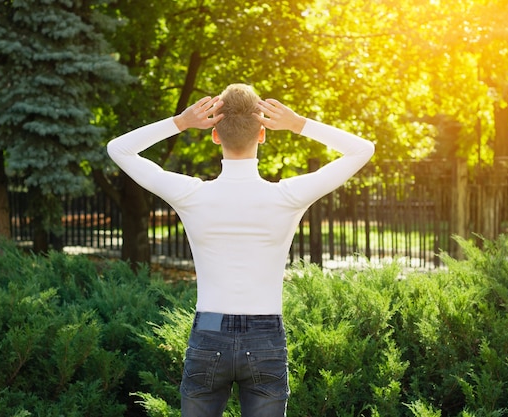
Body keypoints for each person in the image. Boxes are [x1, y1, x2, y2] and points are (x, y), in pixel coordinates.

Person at [107, 83, 375, 417]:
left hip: (209, 331)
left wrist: (181, 122)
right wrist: (297, 123)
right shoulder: (287, 196)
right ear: (262, 134)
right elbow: (362, 149)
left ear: (215, 135)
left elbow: (119, 149)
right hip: (266, 335)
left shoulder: (192, 194)